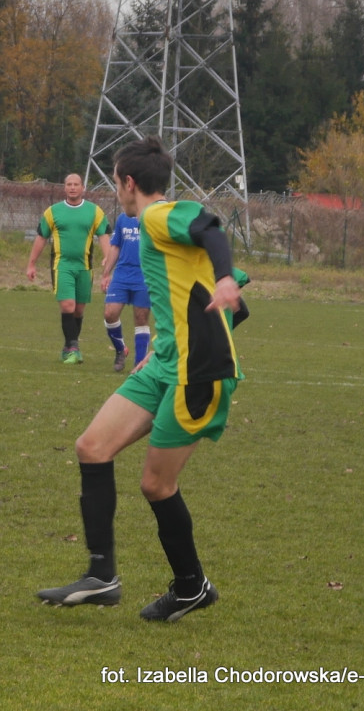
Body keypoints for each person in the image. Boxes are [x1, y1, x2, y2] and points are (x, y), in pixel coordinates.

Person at [36, 136, 245, 622]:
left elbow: (209, 227)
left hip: (198, 374)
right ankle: (101, 576)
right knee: (92, 447)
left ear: (129, 183)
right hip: (165, 364)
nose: (116, 190)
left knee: (156, 485)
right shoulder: (152, 226)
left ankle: (191, 586)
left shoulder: (155, 215)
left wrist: (226, 279)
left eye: (115, 181)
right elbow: (222, 291)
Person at [26, 174, 111, 364]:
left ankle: (68, 347)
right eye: (69, 184)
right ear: (64, 188)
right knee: (67, 306)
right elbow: (41, 237)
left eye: (76, 184)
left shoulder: (94, 211)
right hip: (61, 266)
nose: (72, 187)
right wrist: (31, 263)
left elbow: (104, 235)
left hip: (84, 267)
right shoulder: (53, 212)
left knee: (79, 310)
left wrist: (108, 259)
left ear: (82, 188)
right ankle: (74, 347)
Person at [99, 212, 151, 372]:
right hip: (122, 274)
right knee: (110, 313)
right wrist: (107, 272)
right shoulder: (123, 218)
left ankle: (139, 364)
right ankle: (121, 349)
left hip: (144, 274)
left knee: (141, 317)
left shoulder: (153, 217)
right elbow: (115, 246)